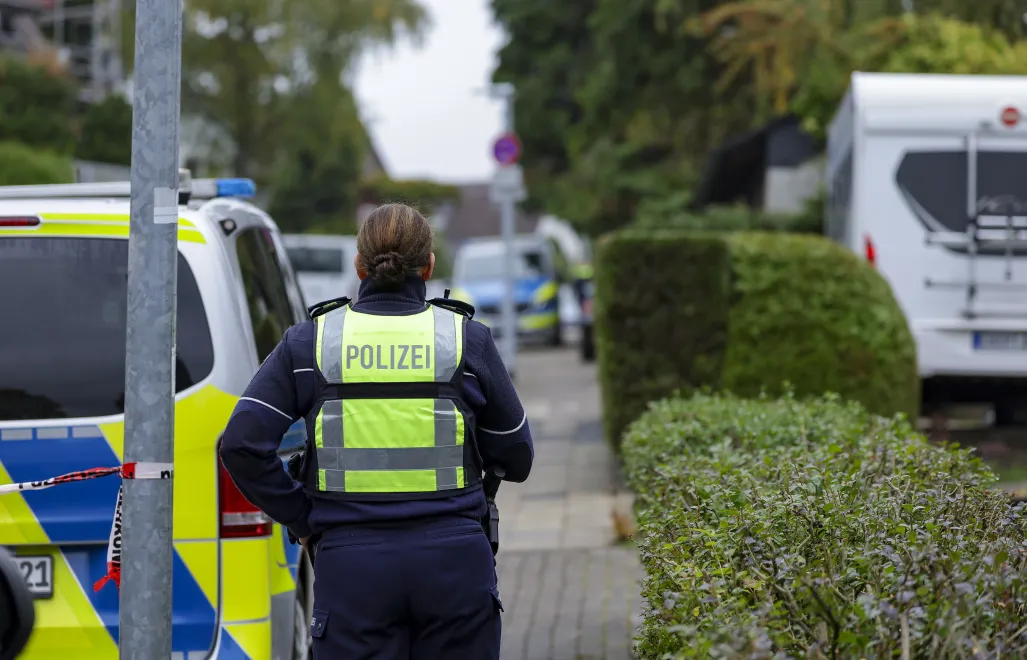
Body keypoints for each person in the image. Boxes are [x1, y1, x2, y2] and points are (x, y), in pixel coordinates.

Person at [219, 203, 534, 659]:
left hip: (351, 569)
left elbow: (241, 445)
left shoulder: (309, 343)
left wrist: (302, 516)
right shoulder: (467, 340)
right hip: (455, 565)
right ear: (428, 266)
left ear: (358, 265)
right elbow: (517, 457)